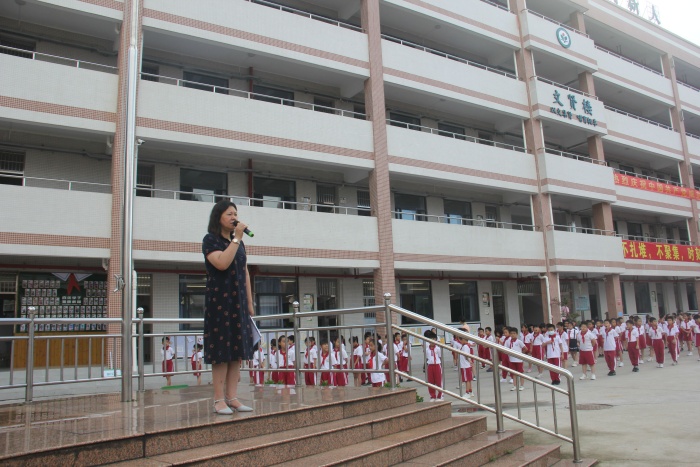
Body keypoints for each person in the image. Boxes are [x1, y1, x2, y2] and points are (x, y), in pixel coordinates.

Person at [202, 200, 254, 415]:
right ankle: (218, 400)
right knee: (221, 352)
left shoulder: (239, 243)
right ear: (219, 217)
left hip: (238, 302)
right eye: (229, 214)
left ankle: (232, 397)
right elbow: (222, 263)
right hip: (219, 302)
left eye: (236, 213)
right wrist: (237, 238)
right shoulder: (210, 240)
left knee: (237, 351)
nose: (234, 217)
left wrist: (250, 303)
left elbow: (245, 271)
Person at [425, 331, 443, 401]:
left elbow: (440, 356)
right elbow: (427, 357)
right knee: (430, 381)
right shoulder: (427, 349)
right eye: (430, 339)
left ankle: (440, 395)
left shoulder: (438, 348)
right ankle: (432, 396)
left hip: (437, 365)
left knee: (438, 381)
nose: (432, 341)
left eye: (433, 339)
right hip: (430, 365)